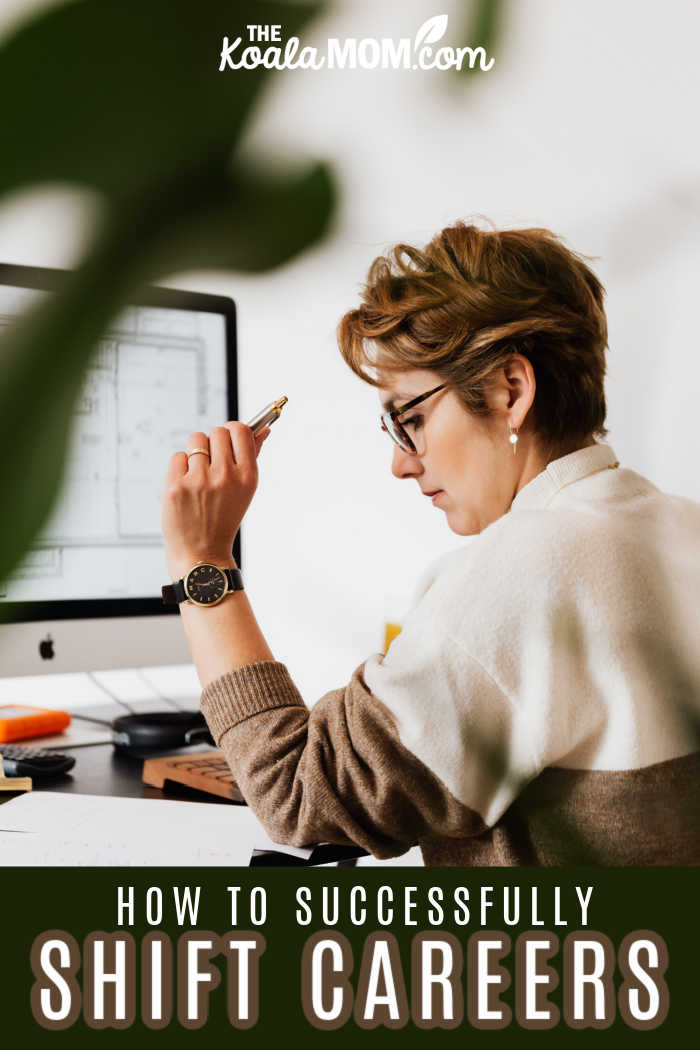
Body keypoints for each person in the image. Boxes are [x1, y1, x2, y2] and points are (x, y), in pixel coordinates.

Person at [161, 220, 700, 865]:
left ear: (510, 391)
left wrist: (205, 563)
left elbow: (299, 797)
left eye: (410, 418)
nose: (400, 463)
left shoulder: (531, 568)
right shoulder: (678, 527)